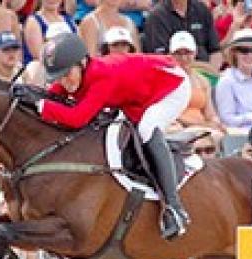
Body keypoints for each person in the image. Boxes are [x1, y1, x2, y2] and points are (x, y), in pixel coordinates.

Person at [13, 32, 191, 240]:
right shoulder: (75, 74)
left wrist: (40, 104)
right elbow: (52, 96)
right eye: (58, 77)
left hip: (171, 86)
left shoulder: (103, 76)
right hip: (138, 95)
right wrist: (32, 94)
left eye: (66, 74)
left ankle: (174, 208)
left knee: (146, 128)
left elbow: (78, 118)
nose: (64, 82)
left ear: (82, 63)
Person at [168, 31, 225, 147]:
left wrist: (215, 122)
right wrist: (202, 124)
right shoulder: (166, 80)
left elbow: (210, 113)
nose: (183, 58)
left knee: (219, 134)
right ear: (171, 55)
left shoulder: (202, 81)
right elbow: (171, 114)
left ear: (195, 53)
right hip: (179, 126)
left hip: (201, 127)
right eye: (178, 53)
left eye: (187, 53)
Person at [142, 0, 222, 72]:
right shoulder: (156, 17)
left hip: (206, 74)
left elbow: (215, 51)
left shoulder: (202, 9)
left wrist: (210, 74)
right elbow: (160, 60)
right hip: (174, 75)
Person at [23, 0, 76, 64]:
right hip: (44, 66)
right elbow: (38, 55)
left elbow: (79, 48)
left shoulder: (69, 20)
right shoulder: (33, 21)